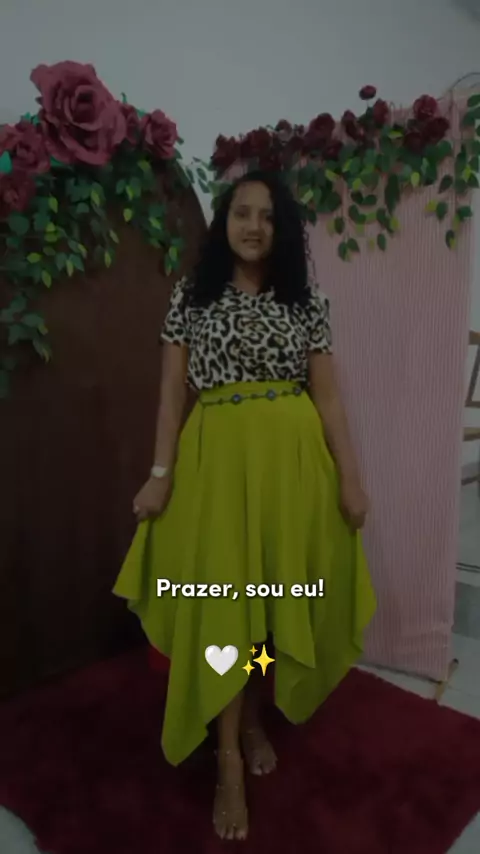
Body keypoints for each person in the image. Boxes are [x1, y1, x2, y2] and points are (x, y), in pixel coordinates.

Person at [113, 169, 376, 841]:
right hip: (219, 469)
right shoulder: (191, 297)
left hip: (292, 471)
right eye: (241, 213)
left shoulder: (306, 301)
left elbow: (328, 399)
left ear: (281, 229)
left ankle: (252, 712)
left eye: (267, 216)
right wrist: (160, 474)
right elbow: (172, 396)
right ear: (223, 222)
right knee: (227, 608)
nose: (253, 226)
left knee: (269, 610)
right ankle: (228, 758)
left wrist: (350, 479)